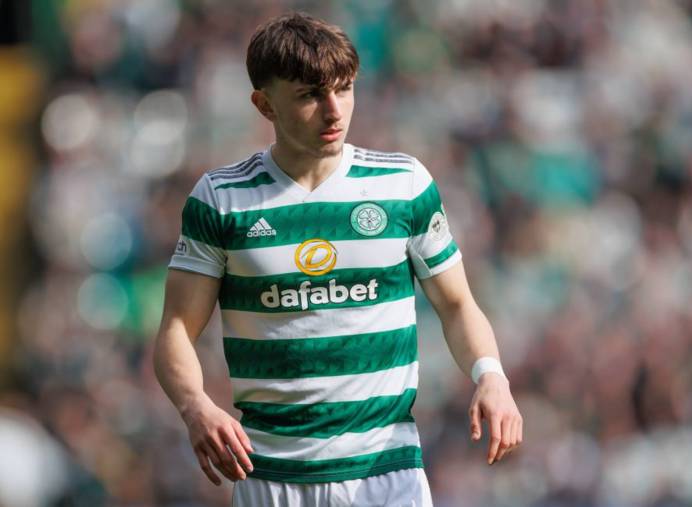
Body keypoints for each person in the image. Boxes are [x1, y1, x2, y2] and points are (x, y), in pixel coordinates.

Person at [153, 11, 522, 506]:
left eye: (344, 89)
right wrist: (195, 406)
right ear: (264, 104)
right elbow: (177, 327)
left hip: (386, 474)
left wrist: (491, 375)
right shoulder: (222, 198)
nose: (334, 111)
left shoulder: (402, 185)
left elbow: (457, 304)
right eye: (309, 95)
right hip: (272, 476)